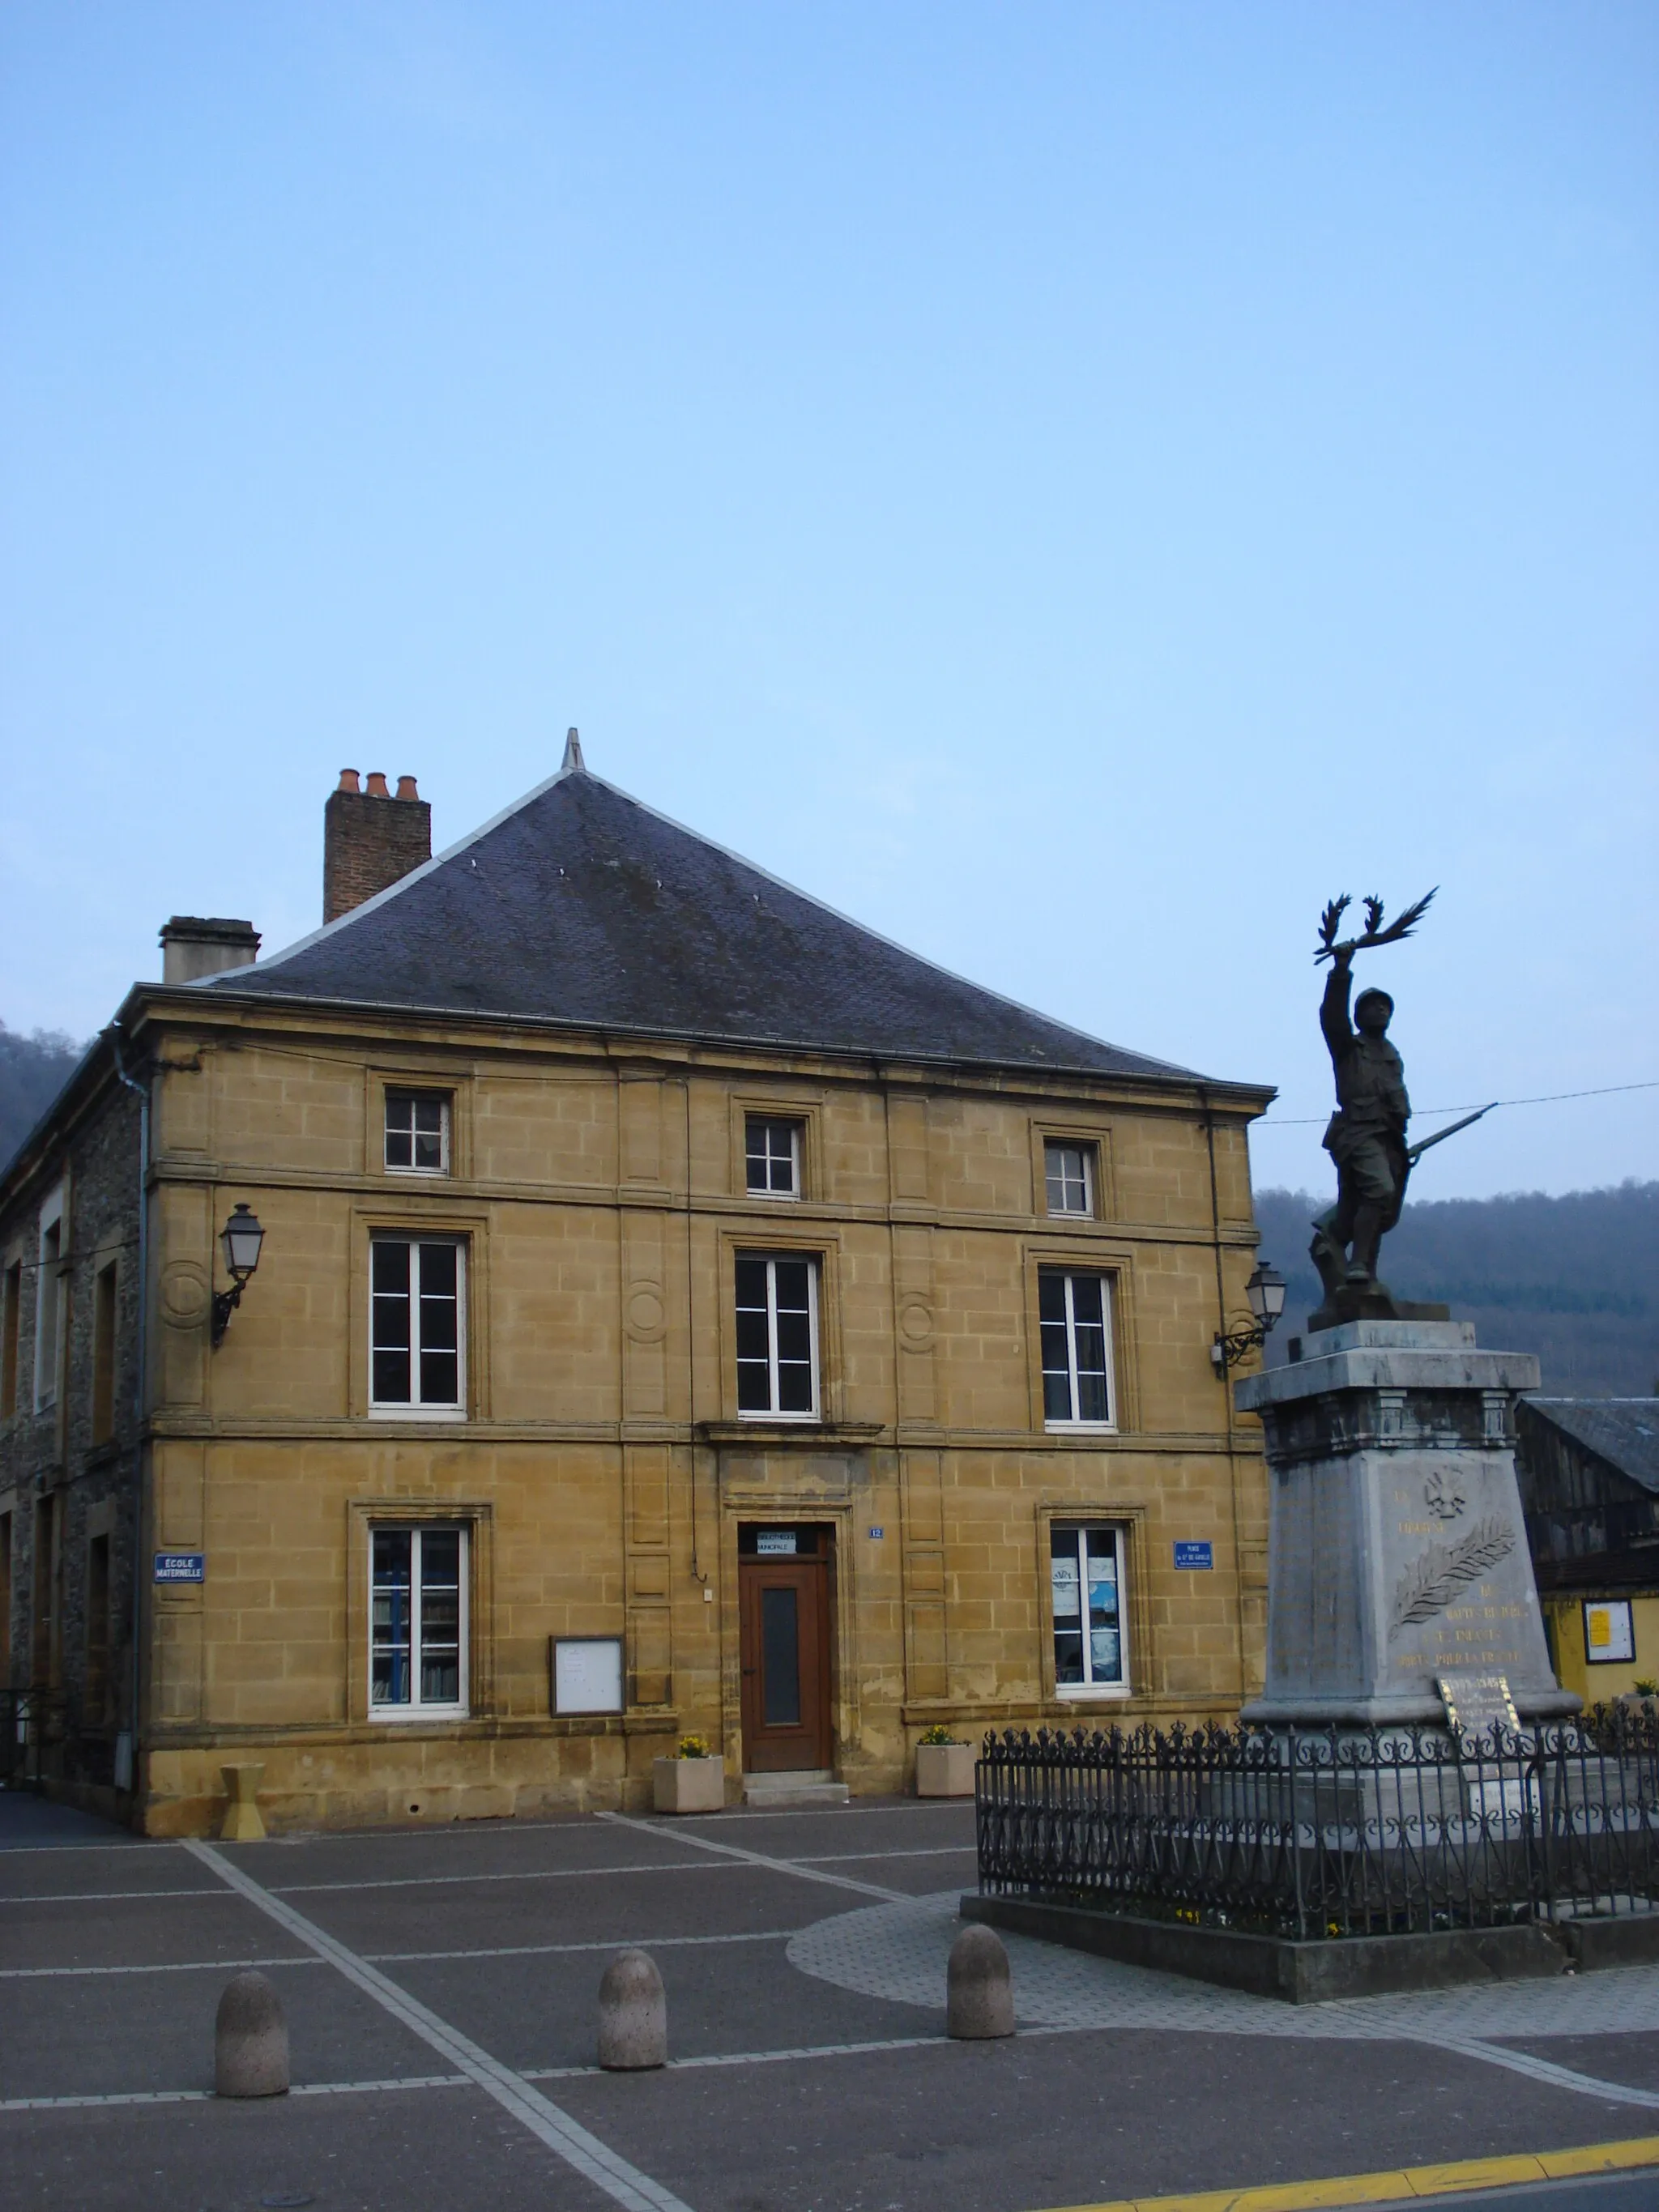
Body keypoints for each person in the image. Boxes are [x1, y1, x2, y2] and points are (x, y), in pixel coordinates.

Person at [1310, 944, 1410, 1296]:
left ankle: (1364, 1273)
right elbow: (1331, 1017)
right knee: (1379, 1192)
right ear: (1360, 1014)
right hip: (1357, 1133)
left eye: (1386, 1006)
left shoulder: (1392, 1054)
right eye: (1373, 1005)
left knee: (1377, 1208)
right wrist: (1341, 970)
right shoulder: (1348, 1047)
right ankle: (1357, 1265)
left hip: (1390, 1137)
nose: (1382, 1009)